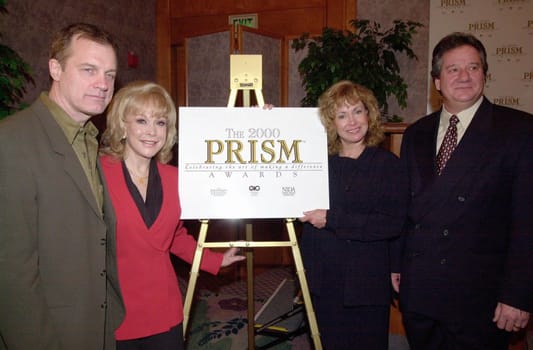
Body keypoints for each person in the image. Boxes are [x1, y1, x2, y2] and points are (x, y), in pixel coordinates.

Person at [398, 32, 533, 350]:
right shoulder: (416, 133)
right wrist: (396, 265)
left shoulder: (520, 131)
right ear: (437, 82)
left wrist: (518, 295)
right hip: (421, 293)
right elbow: (406, 208)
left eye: (473, 68)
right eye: (453, 69)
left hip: (480, 298)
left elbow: (528, 222)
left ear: (484, 74)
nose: (463, 77)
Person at [0, 23, 124, 349]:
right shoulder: (12, 140)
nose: (103, 84)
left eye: (110, 74)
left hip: (95, 324)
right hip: (49, 332)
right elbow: (11, 273)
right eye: (89, 70)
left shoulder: (89, 138)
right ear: (56, 68)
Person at [99, 80, 245, 350]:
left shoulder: (175, 178)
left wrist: (215, 260)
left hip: (163, 307)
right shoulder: (98, 173)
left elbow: (175, 236)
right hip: (114, 309)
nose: (152, 132)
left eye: (161, 123)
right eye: (141, 120)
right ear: (122, 125)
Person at [299, 80, 408, 349]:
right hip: (323, 277)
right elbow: (282, 192)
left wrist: (332, 219)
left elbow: (392, 223)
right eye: (342, 114)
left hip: (367, 278)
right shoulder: (314, 164)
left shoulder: (388, 165)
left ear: (369, 114)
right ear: (330, 122)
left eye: (357, 111)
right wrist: (264, 120)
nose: (352, 121)